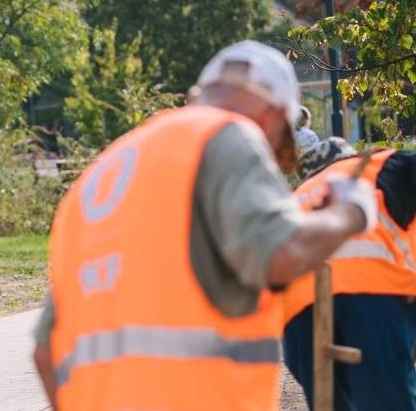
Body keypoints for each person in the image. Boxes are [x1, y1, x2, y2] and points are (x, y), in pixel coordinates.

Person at [32, 41, 378, 411]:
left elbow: (45, 352)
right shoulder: (227, 136)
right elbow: (281, 252)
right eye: (278, 143)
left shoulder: (97, 179)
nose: (273, 159)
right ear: (274, 113)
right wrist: (352, 210)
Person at [283, 137, 416, 411]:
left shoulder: (294, 200)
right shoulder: (381, 163)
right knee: (386, 401)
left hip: (298, 310)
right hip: (371, 289)